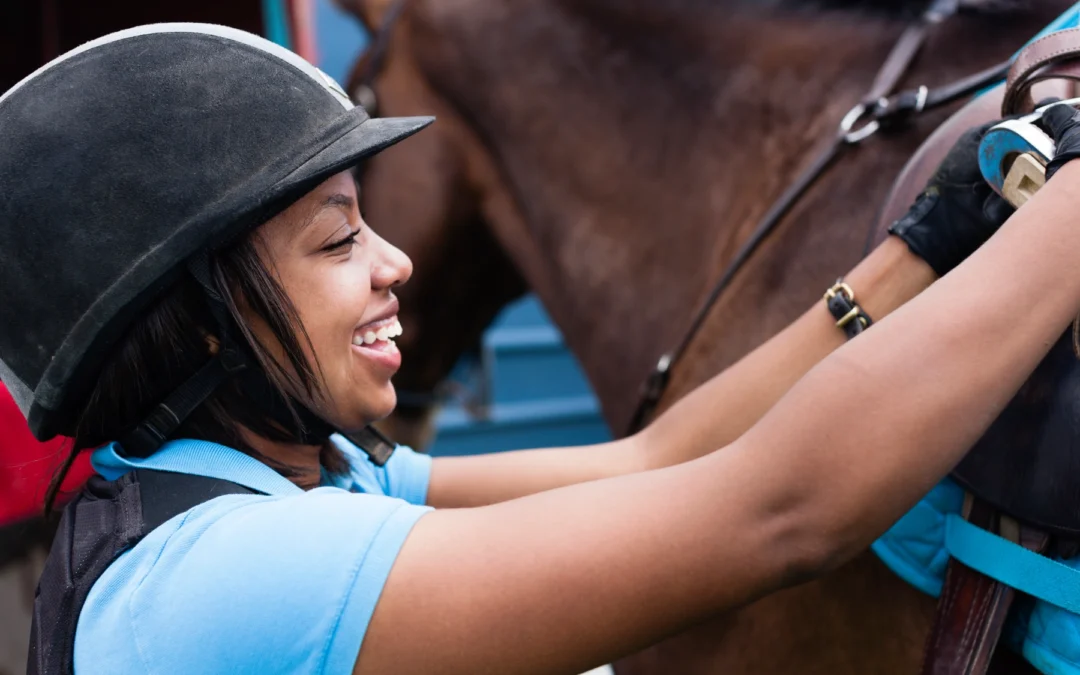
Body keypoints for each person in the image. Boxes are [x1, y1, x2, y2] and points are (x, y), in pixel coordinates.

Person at [3, 23, 1080, 675]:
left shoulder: (282, 478)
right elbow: (778, 515)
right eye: (337, 239)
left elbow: (652, 463)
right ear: (198, 323)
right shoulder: (234, 579)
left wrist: (913, 252)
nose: (395, 265)